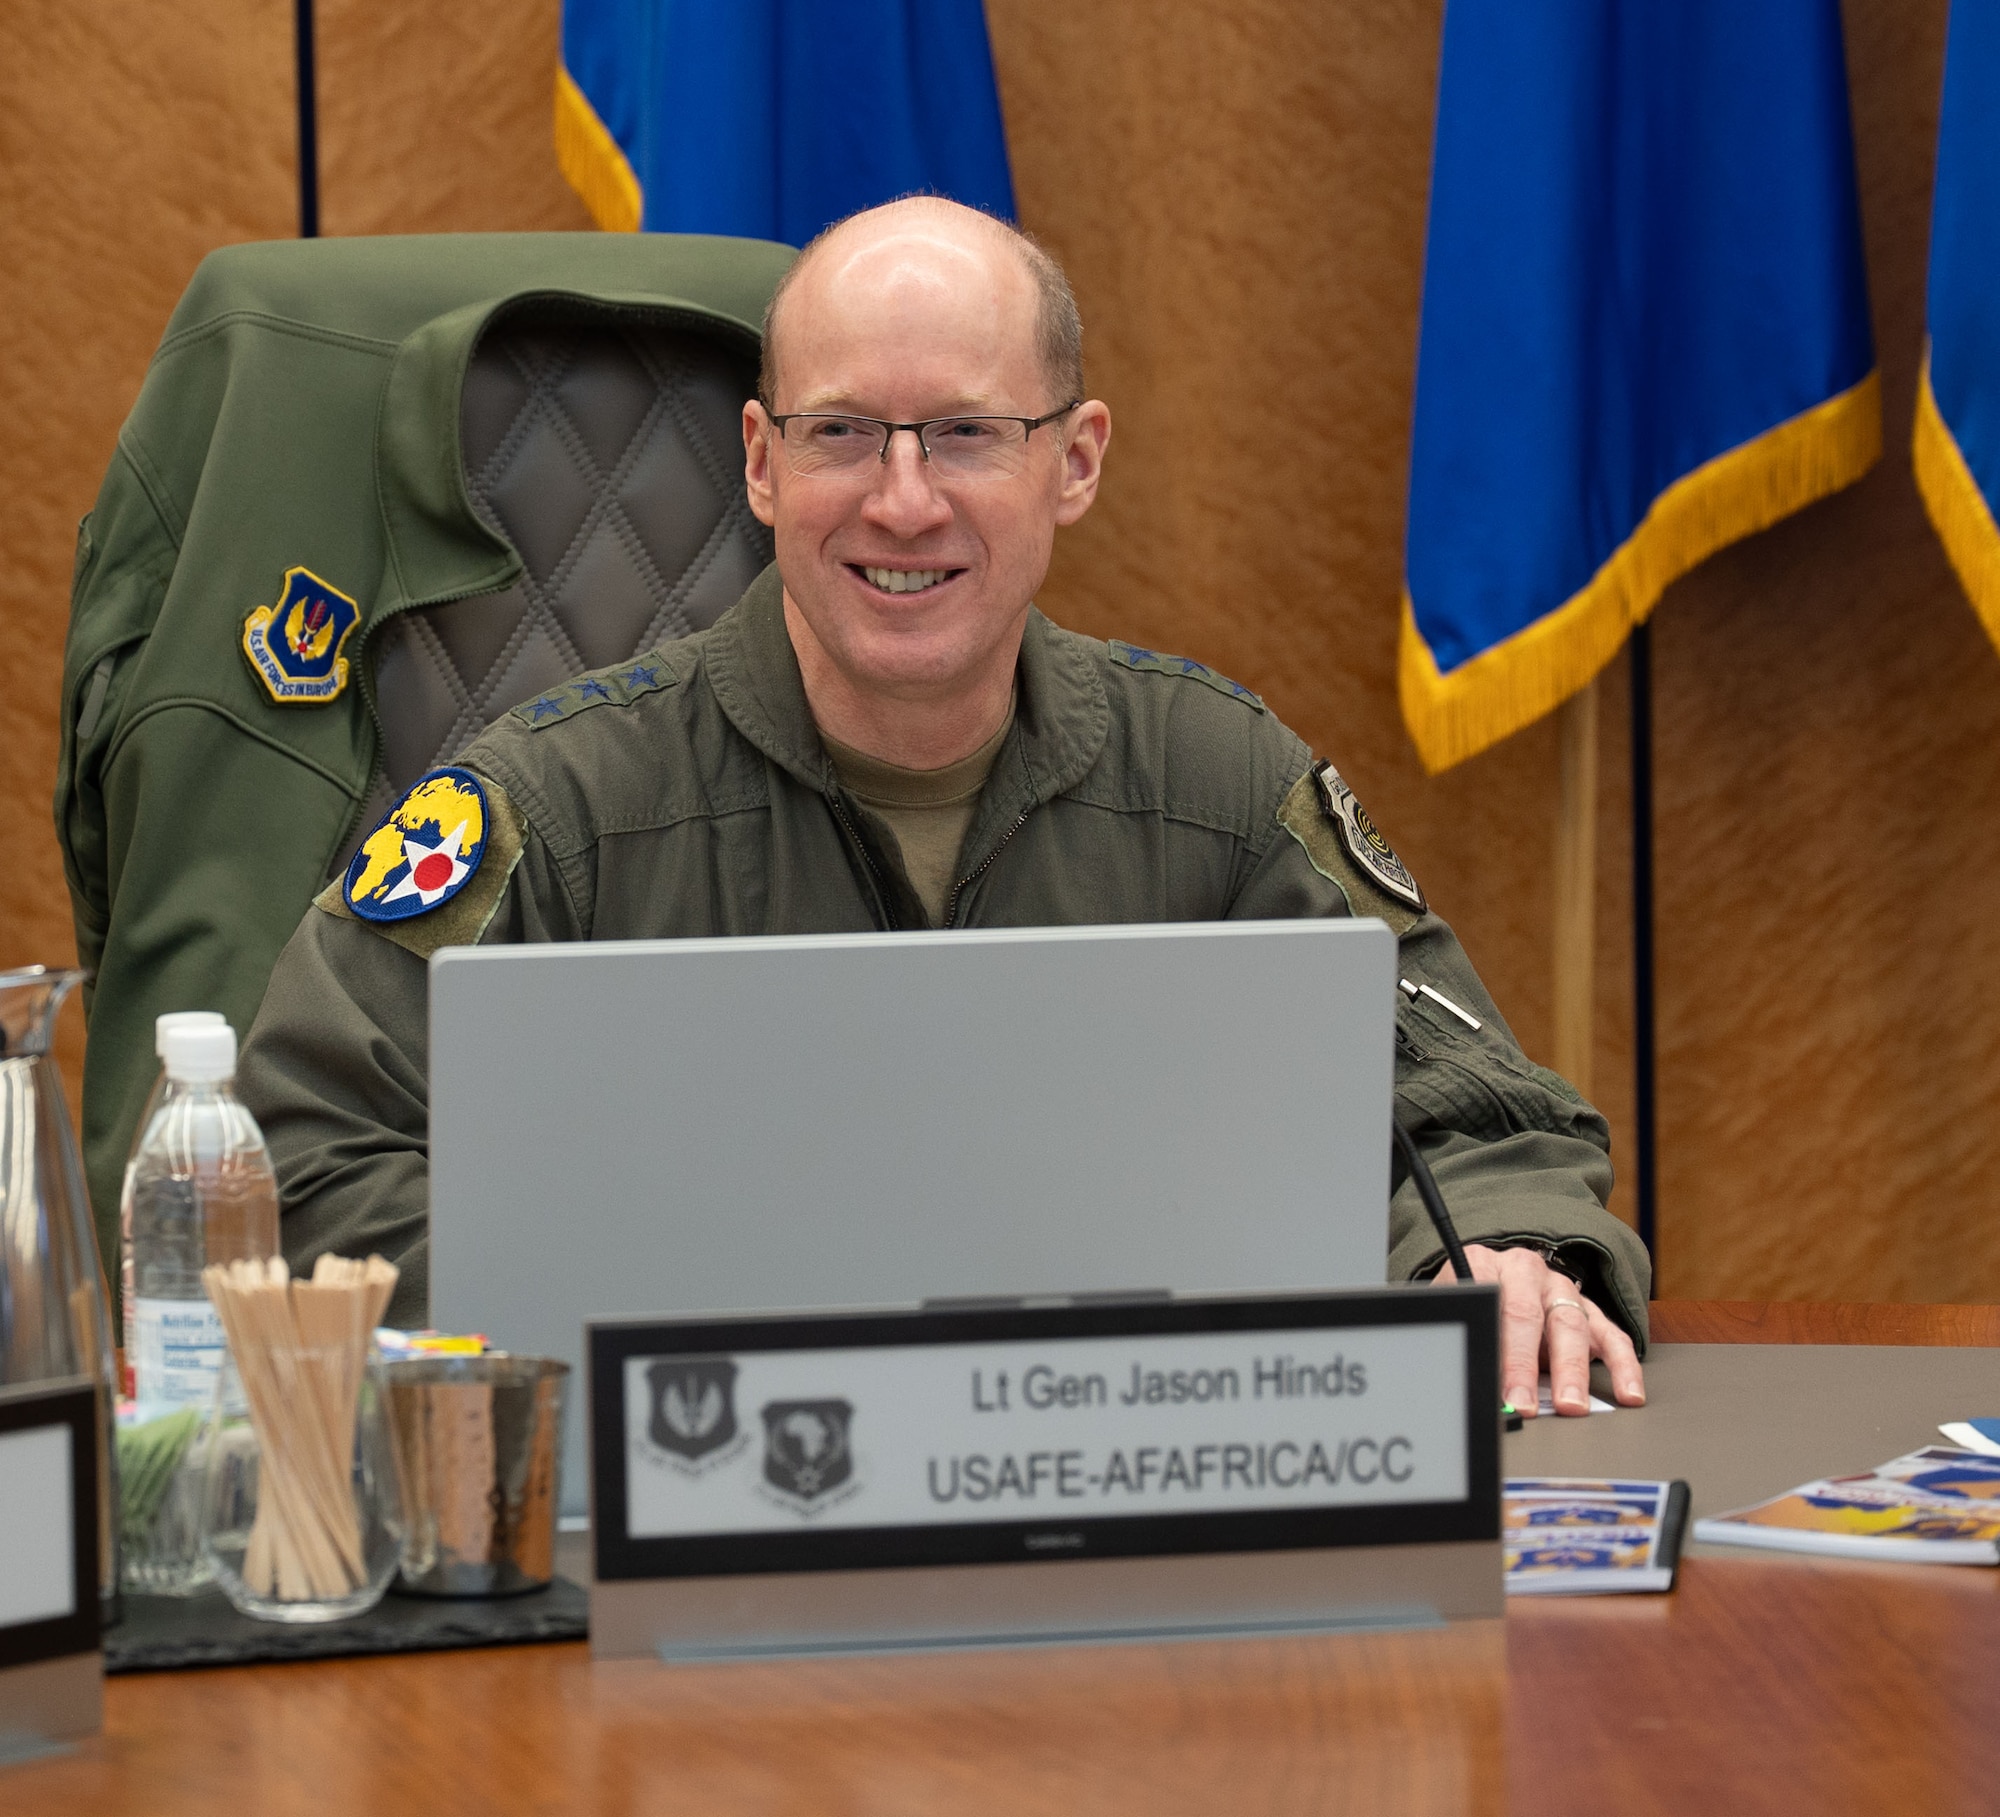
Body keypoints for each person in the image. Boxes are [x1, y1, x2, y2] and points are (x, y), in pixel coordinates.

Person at [239, 196, 1649, 1417]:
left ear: (1076, 460)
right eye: (844, 431)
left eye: (968, 433)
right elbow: (291, 1155)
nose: (902, 502)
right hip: (683, 1538)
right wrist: (591, 1309)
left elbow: (1476, 1122)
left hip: (1132, 1534)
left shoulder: (1218, 785)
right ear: (761, 462)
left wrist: (1501, 1254)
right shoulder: (556, 810)